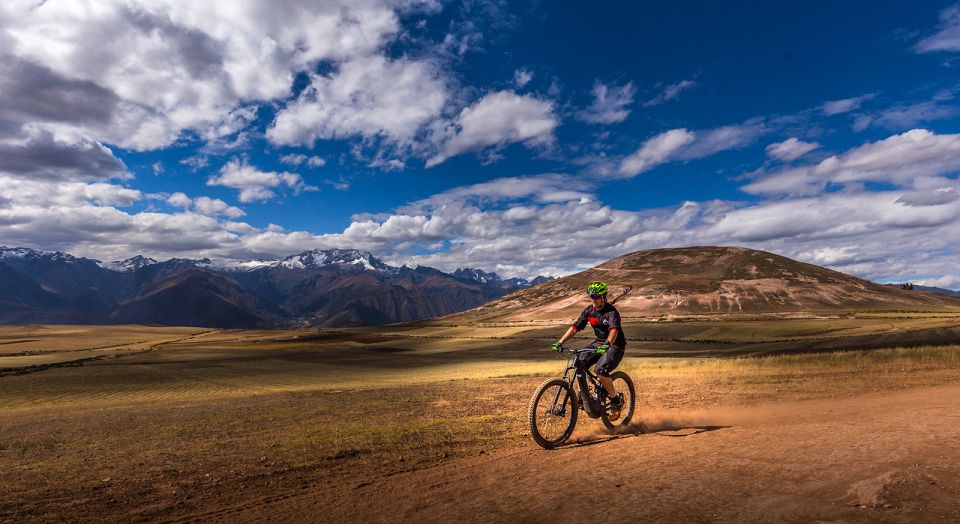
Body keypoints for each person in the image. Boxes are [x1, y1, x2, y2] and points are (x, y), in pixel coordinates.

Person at [551, 281, 626, 420]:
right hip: (599, 343)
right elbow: (575, 327)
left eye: (596, 297)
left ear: (603, 297)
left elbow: (614, 330)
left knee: (600, 370)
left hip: (615, 345)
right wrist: (560, 342)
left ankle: (615, 401)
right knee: (578, 362)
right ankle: (583, 395)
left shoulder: (611, 312)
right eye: (591, 296)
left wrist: (608, 343)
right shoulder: (588, 311)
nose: (593, 299)